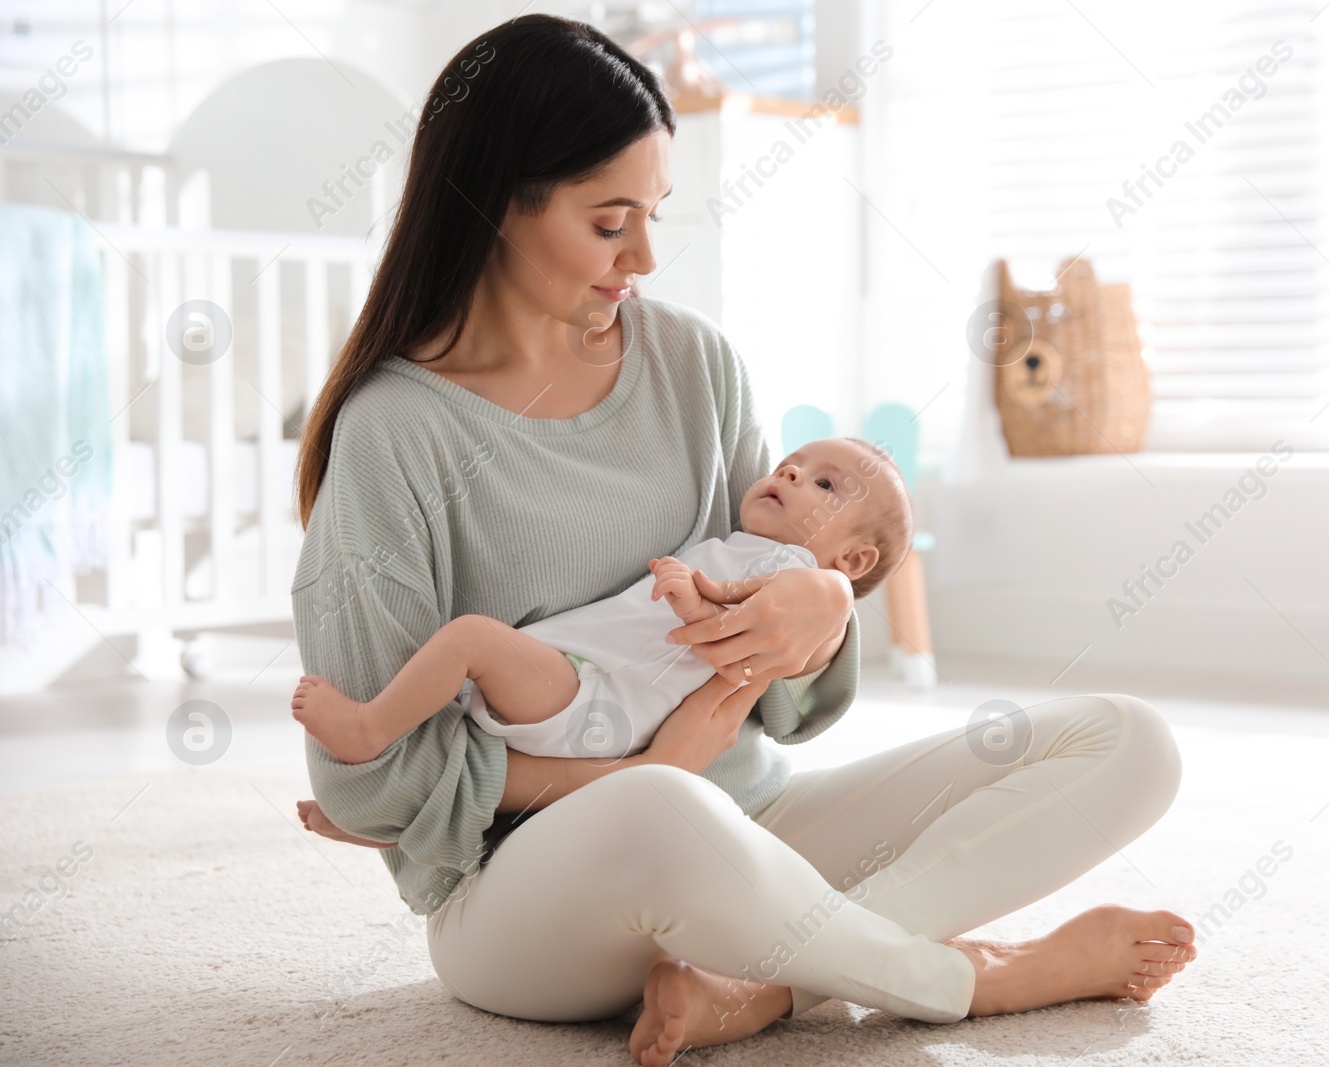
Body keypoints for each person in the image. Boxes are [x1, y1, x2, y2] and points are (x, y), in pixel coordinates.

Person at [289, 16, 1196, 1067]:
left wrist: (813, 617)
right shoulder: (393, 434)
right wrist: (630, 771)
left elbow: (773, 666)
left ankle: (761, 986)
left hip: (754, 821)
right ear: (495, 204)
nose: (644, 254)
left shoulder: (693, 364)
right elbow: (373, 776)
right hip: (530, 895)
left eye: (655, 214)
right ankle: (974, 976)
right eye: (608, 220)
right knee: (663, 807)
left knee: (1125, 739)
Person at [290, 437, 913, 764]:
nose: (791, 475)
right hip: (584, 689)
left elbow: (731, 642)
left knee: (470, 640)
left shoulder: (790, 569)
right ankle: (392, 816)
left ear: (853, 561)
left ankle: (369, 732)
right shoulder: (746, 546)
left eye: (825, 484)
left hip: (598, 696)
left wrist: (695, 604)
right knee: (461, 693)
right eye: (789, 465)